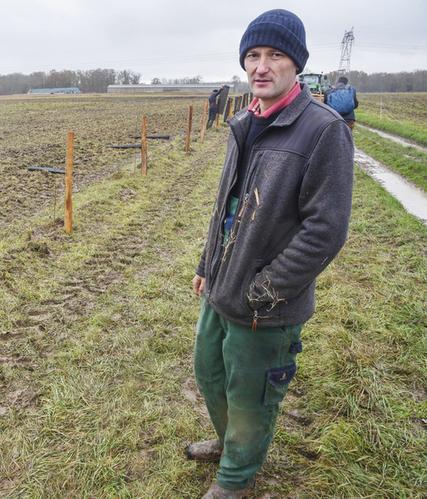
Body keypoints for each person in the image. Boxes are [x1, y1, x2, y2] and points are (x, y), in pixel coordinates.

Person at [188, 9, 354, 498]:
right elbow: (227, 206)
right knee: (210, 372)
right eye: (253, 56)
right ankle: (230, 444)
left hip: (266, 305)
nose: (261, 66)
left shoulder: (323, 131)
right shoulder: (245, 121)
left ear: (295, 65)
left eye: (275, 55)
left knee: (252, 395)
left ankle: (237, 479)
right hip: (222, 285)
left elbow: (326, 230)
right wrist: (205, 265)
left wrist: (267, 289)